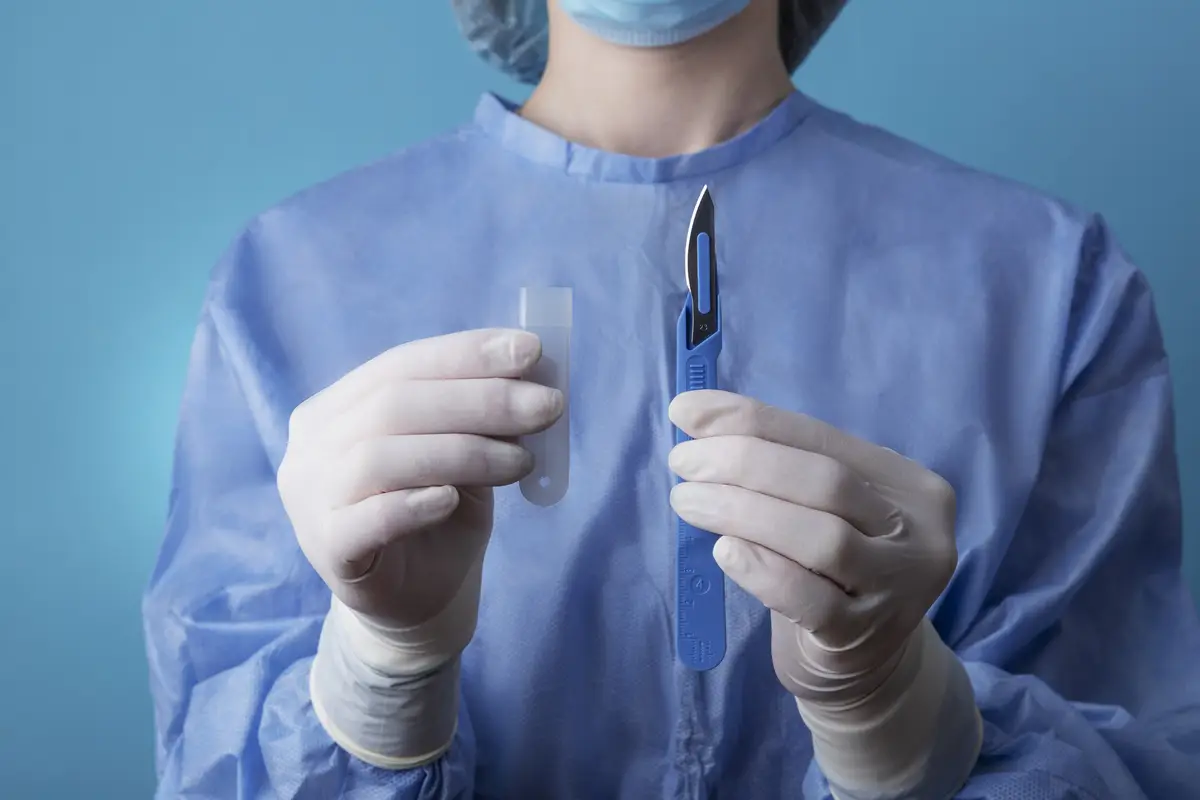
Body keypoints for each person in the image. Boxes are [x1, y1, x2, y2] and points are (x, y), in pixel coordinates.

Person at [142, 1, 1200, 797]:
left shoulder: (1048, 284)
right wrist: (382, 672)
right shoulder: (294, 280)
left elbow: (1129, 755)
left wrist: (897, 713)